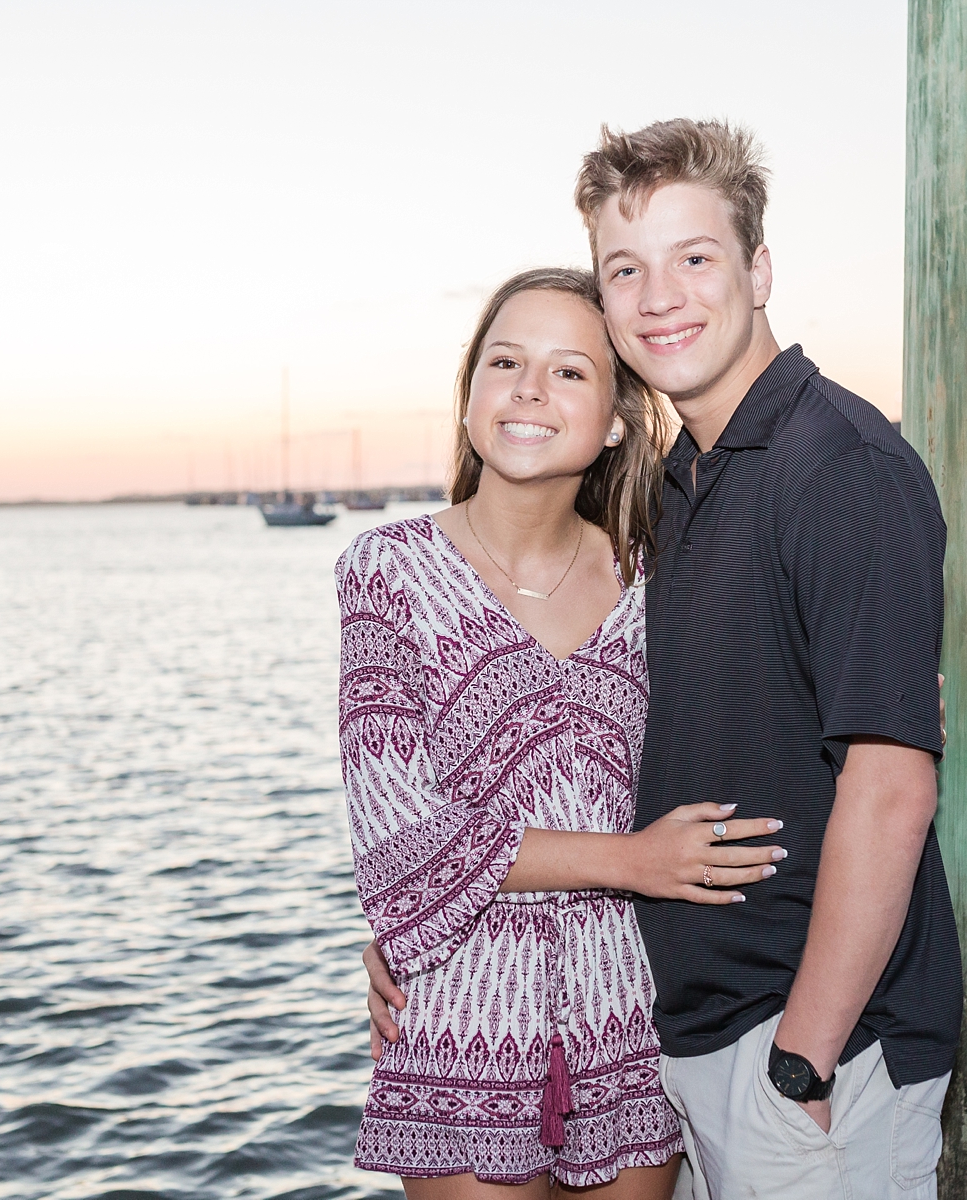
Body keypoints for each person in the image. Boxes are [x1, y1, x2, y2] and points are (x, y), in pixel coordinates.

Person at [367, 120, 960, 1200]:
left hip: (804, 1054)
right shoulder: (682, 496)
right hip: (671, 1044)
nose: (661, 297)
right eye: (625, 270)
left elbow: (890, 790)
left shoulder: (841, 467)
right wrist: (436, 922)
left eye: (696, 258)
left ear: (759, 268)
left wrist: (803, 1059)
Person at [336, 267, 788, 1198]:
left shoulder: (661, 577)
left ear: (619, 416)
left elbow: (776, 699)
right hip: (462, 1009)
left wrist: (898, 697)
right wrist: (632, 861)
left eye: (570, 371)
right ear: (470, 397)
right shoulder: (387, 574)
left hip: (631, 1006)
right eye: (506, 361)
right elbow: (402, 842)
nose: (531, 389)